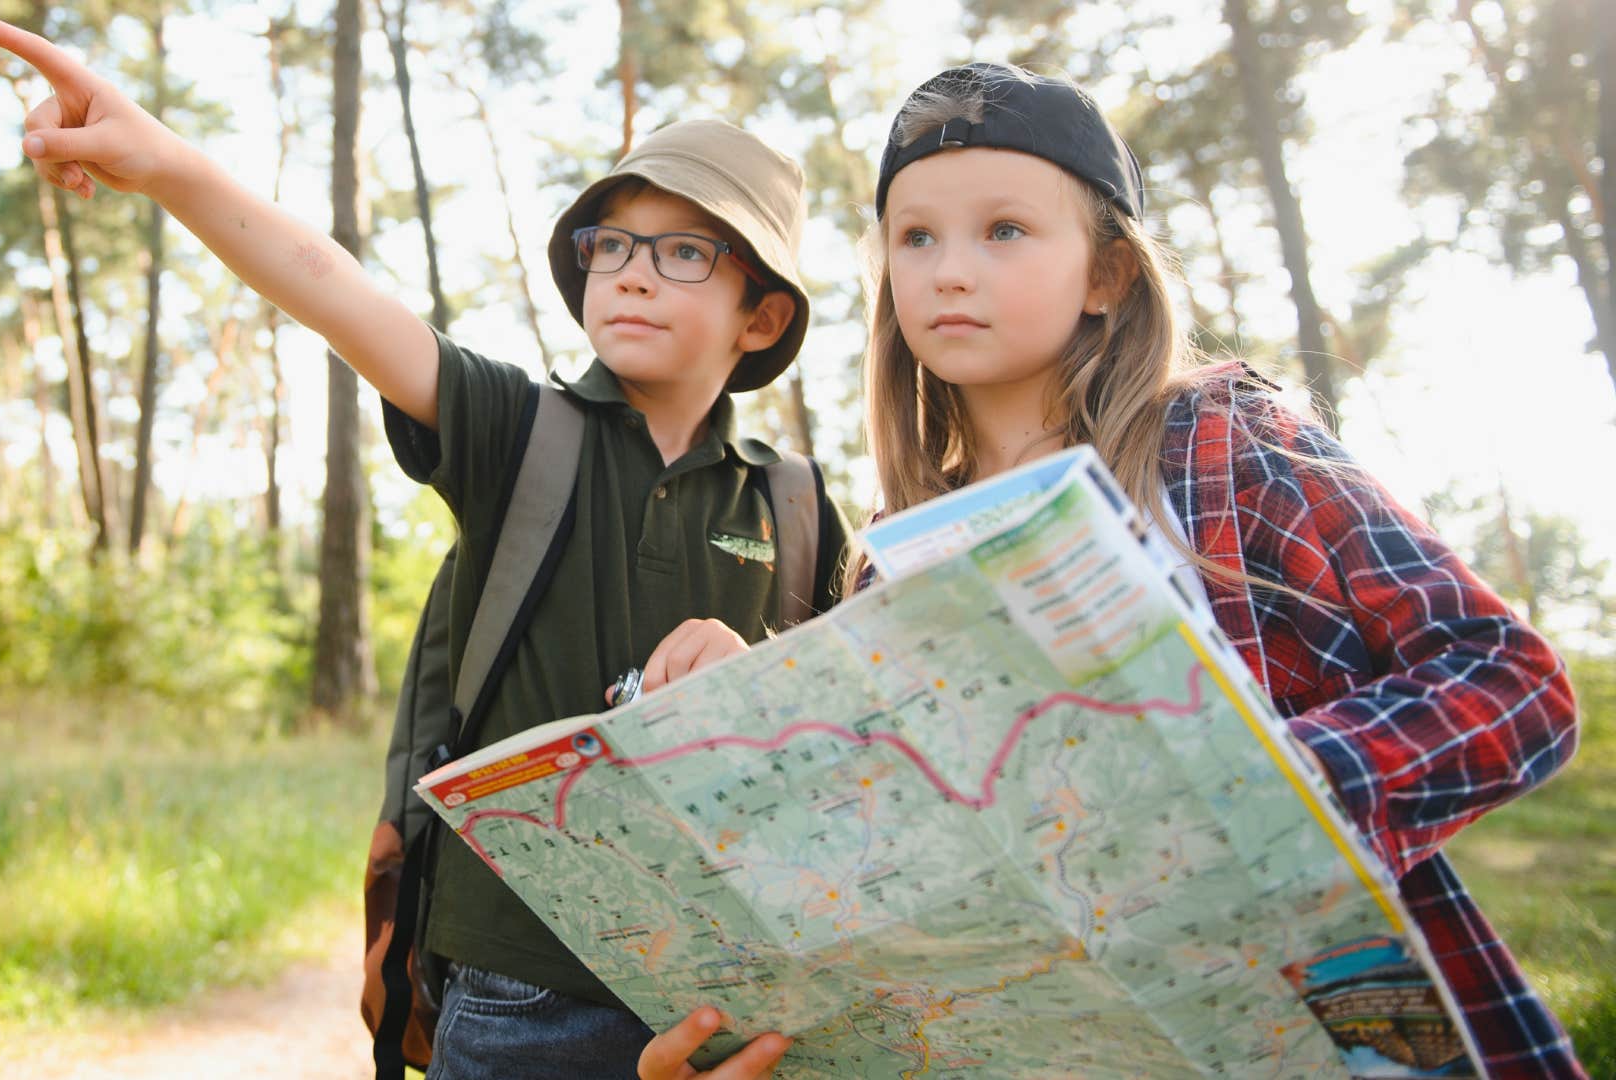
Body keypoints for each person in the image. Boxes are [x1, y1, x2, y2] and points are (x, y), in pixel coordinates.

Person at [641, 62, 1583, 1080]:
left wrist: (1248, 799)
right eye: (915, 237)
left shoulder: (1221, 440)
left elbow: (1509, 678)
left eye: (1004, 229)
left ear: (1108, 275)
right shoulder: (890, 556)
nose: (949, 270)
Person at [0, 18, 851, 1078]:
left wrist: (753, 670)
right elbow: (333, 286)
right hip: (516, 989)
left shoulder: (796, 505)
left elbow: (842, 749)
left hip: (716, 999)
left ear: (759, 318)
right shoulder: (520, 428)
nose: (627, 275)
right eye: (610, 245)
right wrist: (166, 164)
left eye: (680, 252)